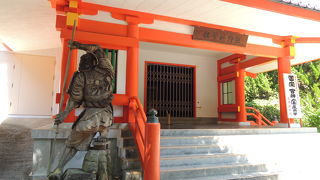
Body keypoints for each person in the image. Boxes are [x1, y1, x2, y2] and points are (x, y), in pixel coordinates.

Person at [48, 41, 114, 180]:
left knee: (72, 143)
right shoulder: (107, 70)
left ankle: (59, 168)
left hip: (92, 116)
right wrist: (78, 46)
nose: (81, 64)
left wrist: (65, 113)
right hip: (107, 115)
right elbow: (97, 48)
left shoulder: (81, 76)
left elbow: (74, 99)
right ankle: (103, 172)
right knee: (100, 143)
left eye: (83, 61)